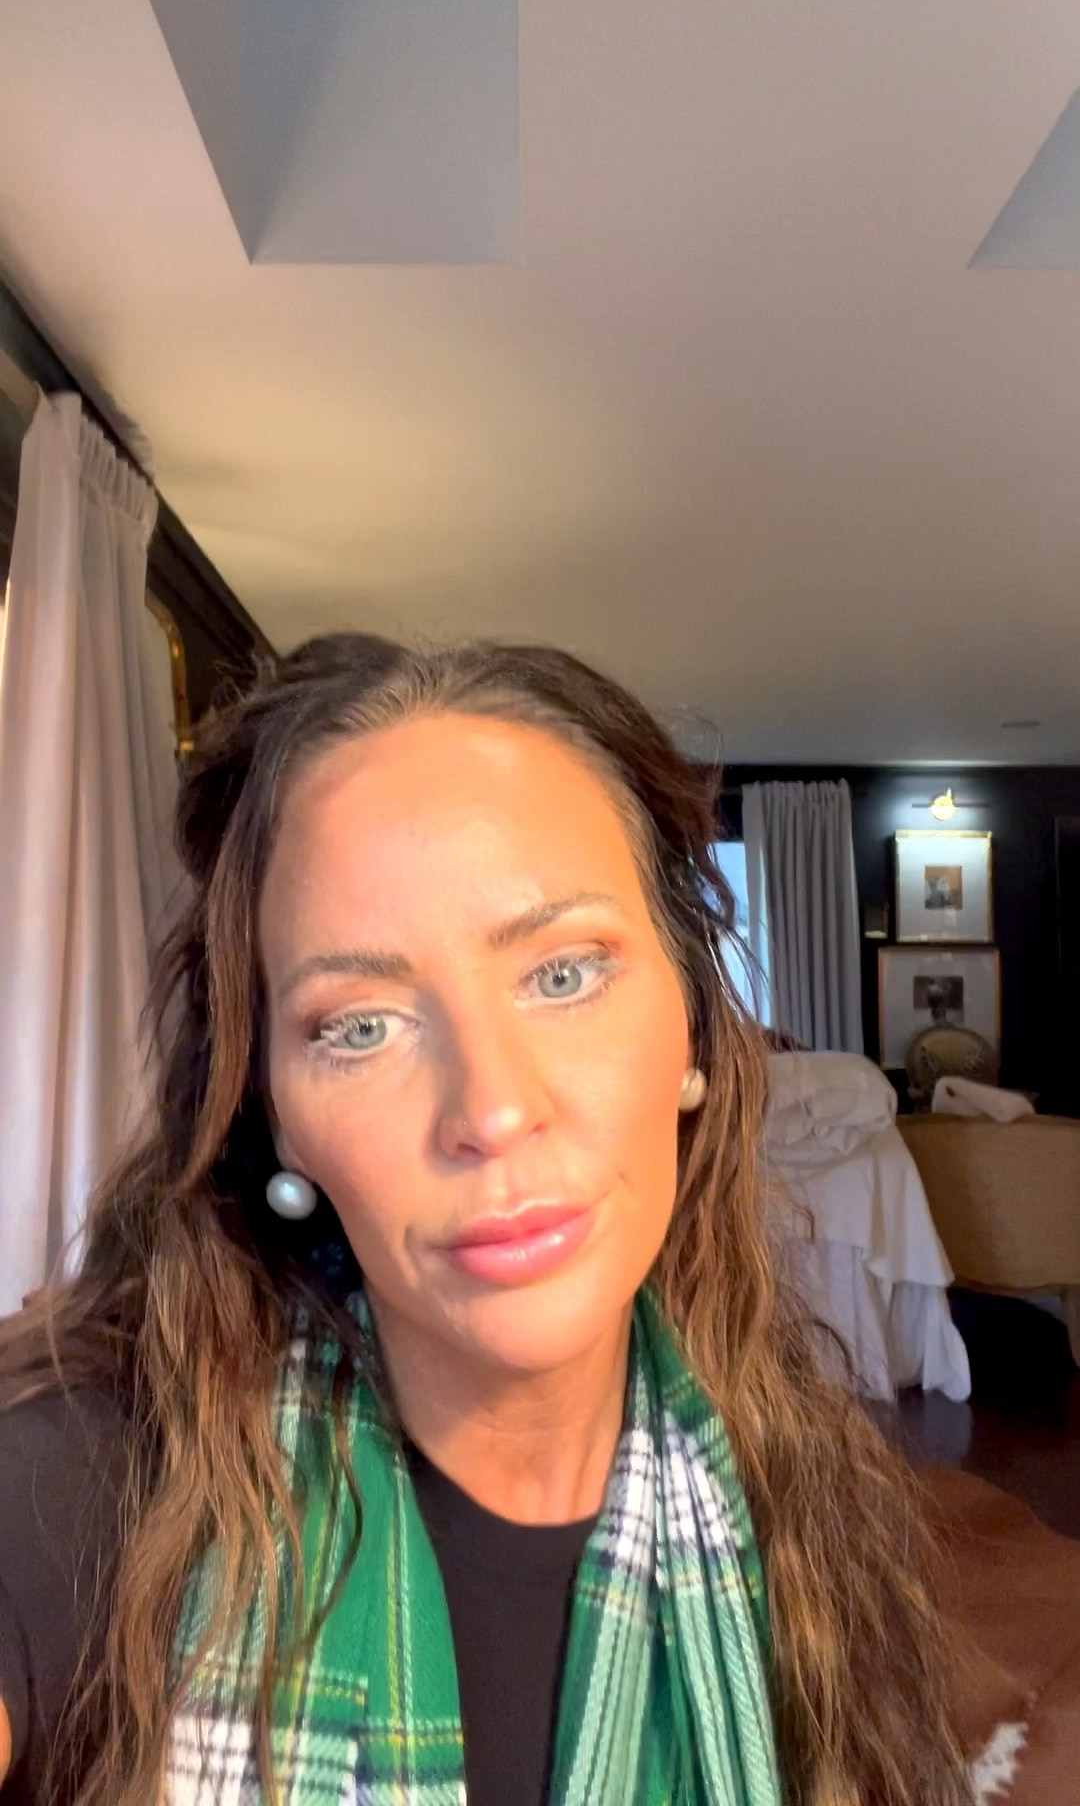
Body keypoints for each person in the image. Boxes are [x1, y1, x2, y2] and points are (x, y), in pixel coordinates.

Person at [0, 634, 972, 1806]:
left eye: (564, 974)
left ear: (695, 1031)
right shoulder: (77, 1493)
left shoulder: (803, 1499)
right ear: (277, 1118)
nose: (494, 1112)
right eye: (360, 1025)